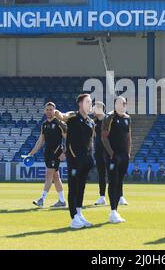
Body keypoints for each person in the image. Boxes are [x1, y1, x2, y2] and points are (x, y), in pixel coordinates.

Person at [65, 94, 95, 229]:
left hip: (85, 160)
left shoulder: (91, 121)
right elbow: (63, 116)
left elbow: (91, 142)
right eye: (88, 102)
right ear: (80, 103)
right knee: (73, 188)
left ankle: (79, 213)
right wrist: (57, 113)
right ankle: (74, 218)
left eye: (91, 102)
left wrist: (90, 157)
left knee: (81, 188)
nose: (90, 104)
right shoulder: (73, 117)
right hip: (74, 160)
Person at [28, 102, 67, 208]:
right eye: (47, 109)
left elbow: (68, 137)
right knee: (56, 176)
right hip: (48, 153)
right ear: (45, 111)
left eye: (51, 109)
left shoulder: (59, 123)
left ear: (54, 111)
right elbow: (41, 140)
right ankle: (62, 201)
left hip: (56, 153)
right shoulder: (44, 124)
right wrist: (32, 152)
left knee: (49, 175)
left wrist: (65, 152)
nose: (49, 111)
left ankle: (42, 199)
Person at [102, 96, 132, 223]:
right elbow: (104, 137)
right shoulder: (109, 117)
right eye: (121, 102)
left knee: (119, 181)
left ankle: (116, 211)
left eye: (125, 102)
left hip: (124, 155)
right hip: (113, 156)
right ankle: (113, 211)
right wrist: (111, 153)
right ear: (115, 104)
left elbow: (129, 136)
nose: (124, 104)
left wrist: (128, 153)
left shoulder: (127, 118)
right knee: (113, 182)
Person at [92, 101, 108, 206]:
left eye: (95, 107)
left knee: (113, 174)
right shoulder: (94, 121)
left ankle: (120, 195)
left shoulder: (108, 120)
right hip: (98, 150)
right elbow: (92, 135)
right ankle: (102, 196)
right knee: (101, 174)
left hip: (108, 149)